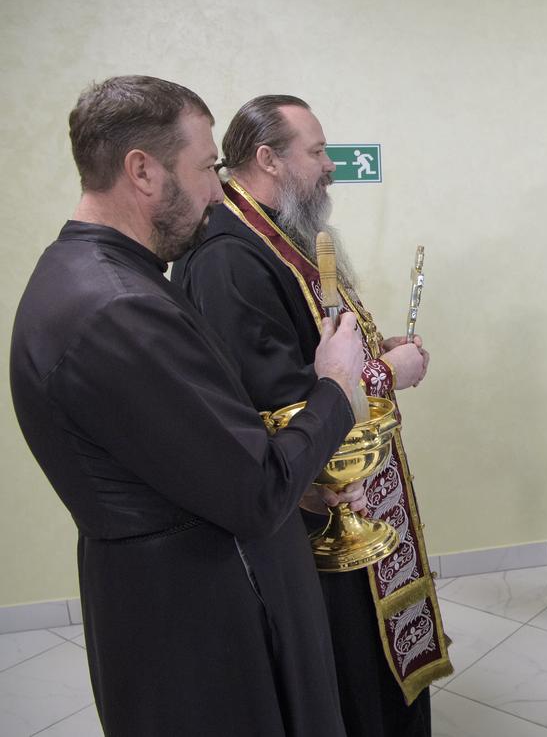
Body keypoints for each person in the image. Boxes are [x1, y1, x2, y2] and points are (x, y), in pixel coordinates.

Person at [10, 75, 368, 736]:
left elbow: (200, 454)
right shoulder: (117, 310)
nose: (216, 190)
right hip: (203, 619)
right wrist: (334, 386)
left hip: (183, 590)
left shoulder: (101, 277)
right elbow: (253, 491)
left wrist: (299, 486)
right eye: (207, 167)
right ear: (142, 171)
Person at [172, 95, 450, 736]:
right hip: (315, 503)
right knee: (347, 663)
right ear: (267, 159)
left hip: (346, 490)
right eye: (318, 151)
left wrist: (374, 354)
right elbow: (274, 397)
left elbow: (317, 349)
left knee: (372, 656)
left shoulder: (278, 229)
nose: (330, 166)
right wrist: (386, 374)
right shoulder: (227, 256)